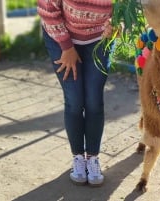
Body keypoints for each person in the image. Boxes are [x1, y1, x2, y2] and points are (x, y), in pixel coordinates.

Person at [37, 0, 113, 186]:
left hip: (100, 38)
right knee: (75, 100)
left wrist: (118, 23)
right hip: (61, 37)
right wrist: (66, 46)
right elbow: (48, 8)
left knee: (94, 100)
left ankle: (92, 157)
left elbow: (129, 6)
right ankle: (78, 157)